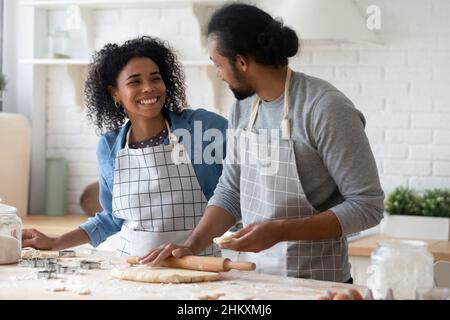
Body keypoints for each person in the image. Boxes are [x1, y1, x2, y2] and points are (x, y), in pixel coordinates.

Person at [143, 4, 385, 283]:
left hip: (316, 282)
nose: (219, 73)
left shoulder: (325, 108)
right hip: (253, 279)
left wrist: (280, 230)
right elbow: (231, 190)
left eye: (218, 63)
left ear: (242, 62)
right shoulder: (242, 109)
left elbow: (367, 206)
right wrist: (191, 244)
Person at [22, 36, 227, 257]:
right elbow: (112, 217)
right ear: (115, 93)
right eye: (135, 82)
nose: (148, 88)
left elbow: (248, 174)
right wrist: (56, 242)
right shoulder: (109, 147)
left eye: (155, 79)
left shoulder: (201, 129)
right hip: (134, 268)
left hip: (199, 265)